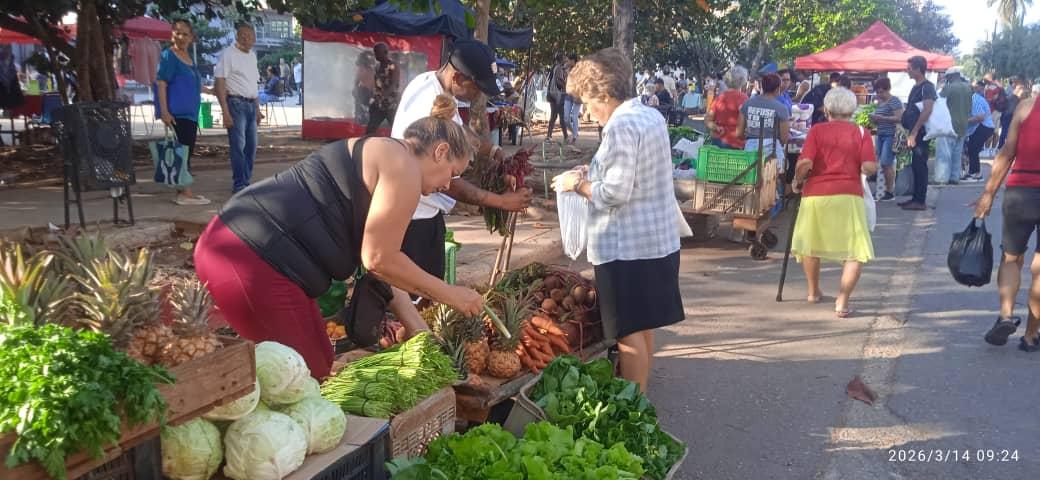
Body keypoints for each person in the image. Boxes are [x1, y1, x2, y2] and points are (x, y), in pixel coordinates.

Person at [194, 95, 484, 379]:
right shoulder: (403, 167)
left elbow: (384, 263)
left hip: (235, 244)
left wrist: (418, 329)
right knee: (301, 378)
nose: (448, 185)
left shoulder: (386, 152)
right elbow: (379, 260)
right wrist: (451, 295)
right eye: (452, 174)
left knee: (319, 360)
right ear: (441, 151)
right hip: (248, 258)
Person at [552, 48, 683, 393]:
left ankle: (633, 404)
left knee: (627, 332)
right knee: (642, 326)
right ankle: (639, 396)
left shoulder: (621, 126)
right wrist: (589, 170)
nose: (586, 111)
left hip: (627, 247)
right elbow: (630, 173)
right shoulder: (648, 115)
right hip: (655, 242)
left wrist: (576, 184)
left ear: (604, 95)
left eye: (587, 102)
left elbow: (614, 193)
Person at [391, 39, 533, 282]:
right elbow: (450, 182)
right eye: (476, 88)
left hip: (426, 211)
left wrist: (494, 150)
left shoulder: (434, 86)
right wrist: (500, 201)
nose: (478, 95)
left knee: (423, 289)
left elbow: (460, 129)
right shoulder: (427, 109)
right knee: (420, 290)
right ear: (458, 78)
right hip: (415, 217)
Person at [791, 88, 877, 317]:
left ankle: (813, 291)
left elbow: (805, 162)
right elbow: (870, 167)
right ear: (852, 110)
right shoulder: (861, 133)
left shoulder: (817, 131)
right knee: (856, 251)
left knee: (810, 242)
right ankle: (842, 301)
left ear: (826, 110)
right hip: (849, 194)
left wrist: (797, 180)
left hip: (816, 194)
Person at [973, 94, 1040, 351]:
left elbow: (1007, 153)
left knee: (1011, 258)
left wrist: (988, 194)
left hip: (1020, 192)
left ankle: (1006, 315)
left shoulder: (1026, 107)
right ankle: (1031, 335)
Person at [155, 19, 210, 207]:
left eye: (185, 33)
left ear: (191, 37)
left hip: (191, 113)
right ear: (172, 34)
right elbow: (161, 83)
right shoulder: (169, 56)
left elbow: (193, 84)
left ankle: (183, 191)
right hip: (177, 113)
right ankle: (186, 192)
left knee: (186, 151)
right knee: (182, 152)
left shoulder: (188, 58)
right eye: (177, 32)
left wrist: (212, 91)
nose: (181, 37)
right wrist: (164, 111)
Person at [214, 24, 262, 194]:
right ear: (237, 36)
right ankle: (239, 183)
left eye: (249, 36)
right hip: (235, 104)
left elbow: (253, 84)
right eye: (242, 35)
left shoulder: (252, 56)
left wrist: (257, 109)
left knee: (252, 146)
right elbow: (219, 82)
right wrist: (225, 111)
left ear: (254, 38)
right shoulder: (228, 54)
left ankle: (246, 181)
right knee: (238, 145)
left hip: (250, 104)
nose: (246, 38)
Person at [900, 56, 937, 211]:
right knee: (916, 164)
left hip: (920, 132)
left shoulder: (927, 87)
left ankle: (920, 200)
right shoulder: (917, 86)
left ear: (918, 69)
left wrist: (914, 132)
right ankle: (915, 198)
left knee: (920, 164)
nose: (907, 70)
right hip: (914, 130)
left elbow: (927, 110)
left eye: (909, 68)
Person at [736, 72, 790, 164]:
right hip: (772, 153)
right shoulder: (781, 108)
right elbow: (784, 138)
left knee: (751, 177)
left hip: (751, 150)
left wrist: (751, 138)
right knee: (774, 176)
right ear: (777, 89)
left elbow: (739, 133)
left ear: (762, 86)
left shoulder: (747, 104)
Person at [934, 66, 972, 185]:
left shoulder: (949, 88)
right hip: (963, 124)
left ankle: (941, 178)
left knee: (944, 153)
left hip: (948, 125)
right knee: (957, 153)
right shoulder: (968, 88)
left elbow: (939, 103)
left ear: (951, 77)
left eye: (947, 77)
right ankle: (954, 177)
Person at [869, 77, 903, 201]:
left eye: (881, 92)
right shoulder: (880, 102)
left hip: (890, 135)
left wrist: (881, 118)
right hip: (881, 134)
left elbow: (899, 118)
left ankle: (889, 191)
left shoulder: (894, 101)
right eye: (877, 92)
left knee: (886, 162)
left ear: (888, 89)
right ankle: (881, 190)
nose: (879, 94)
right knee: (882, 164)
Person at [704, 66, 749, 149]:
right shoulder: (743, 98)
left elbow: (707, 120)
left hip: (718, 141)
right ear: (742, 81)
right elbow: (747, 122)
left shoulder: (720, 97)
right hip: (736, 143)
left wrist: (716, 128)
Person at [364, 43, 400, 135]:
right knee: (370, 129)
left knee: (397, 129)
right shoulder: (377, 67)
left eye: (377, 53)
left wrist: (383, 95)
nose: (375, 55)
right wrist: (372, 96)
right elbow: (377, 85)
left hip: (391, 104)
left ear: (385, 52)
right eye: (375, 53)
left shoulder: (392, 66)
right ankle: (367, 146)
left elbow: (394, 84)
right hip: (378, 104)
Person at [963, 80, 995, 182]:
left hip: (984, 126)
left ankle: (975, 174)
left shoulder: (974, 99)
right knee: (973, 148)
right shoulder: (973, 98)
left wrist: (964, 121)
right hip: (983, 127)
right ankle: (973, 172)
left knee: (973, 148)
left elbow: (980, 117)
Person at [999, 76, 1028, 149]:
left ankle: (1001, 146)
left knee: (1005, 130)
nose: (1012, 83)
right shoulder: (1020, 89)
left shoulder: (1015, 89)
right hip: (1012, 112)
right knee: (1010, 131)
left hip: (1008, 112)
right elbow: (1023, 101)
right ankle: (1005, 146)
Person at [546, 53, 569, 142]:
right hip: (558, 95)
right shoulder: (559, 68)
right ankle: (566, 136)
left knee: (554, 116)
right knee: (560, 116)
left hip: (552, 94)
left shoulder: (555, 67)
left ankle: (549, 135)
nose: (566, 59)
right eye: (565, 58)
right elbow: (559, 81)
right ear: (562, 59)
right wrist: (567, 86)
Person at [563, 53, 582, 144]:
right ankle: (574, 132)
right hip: (568, 94)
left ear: (573, 60)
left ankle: (574, 138)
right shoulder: (567, 69)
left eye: (568, 60)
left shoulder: (579, 69)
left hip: (577, 95)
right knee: (565, 118)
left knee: (574, 117)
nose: (567, 62)